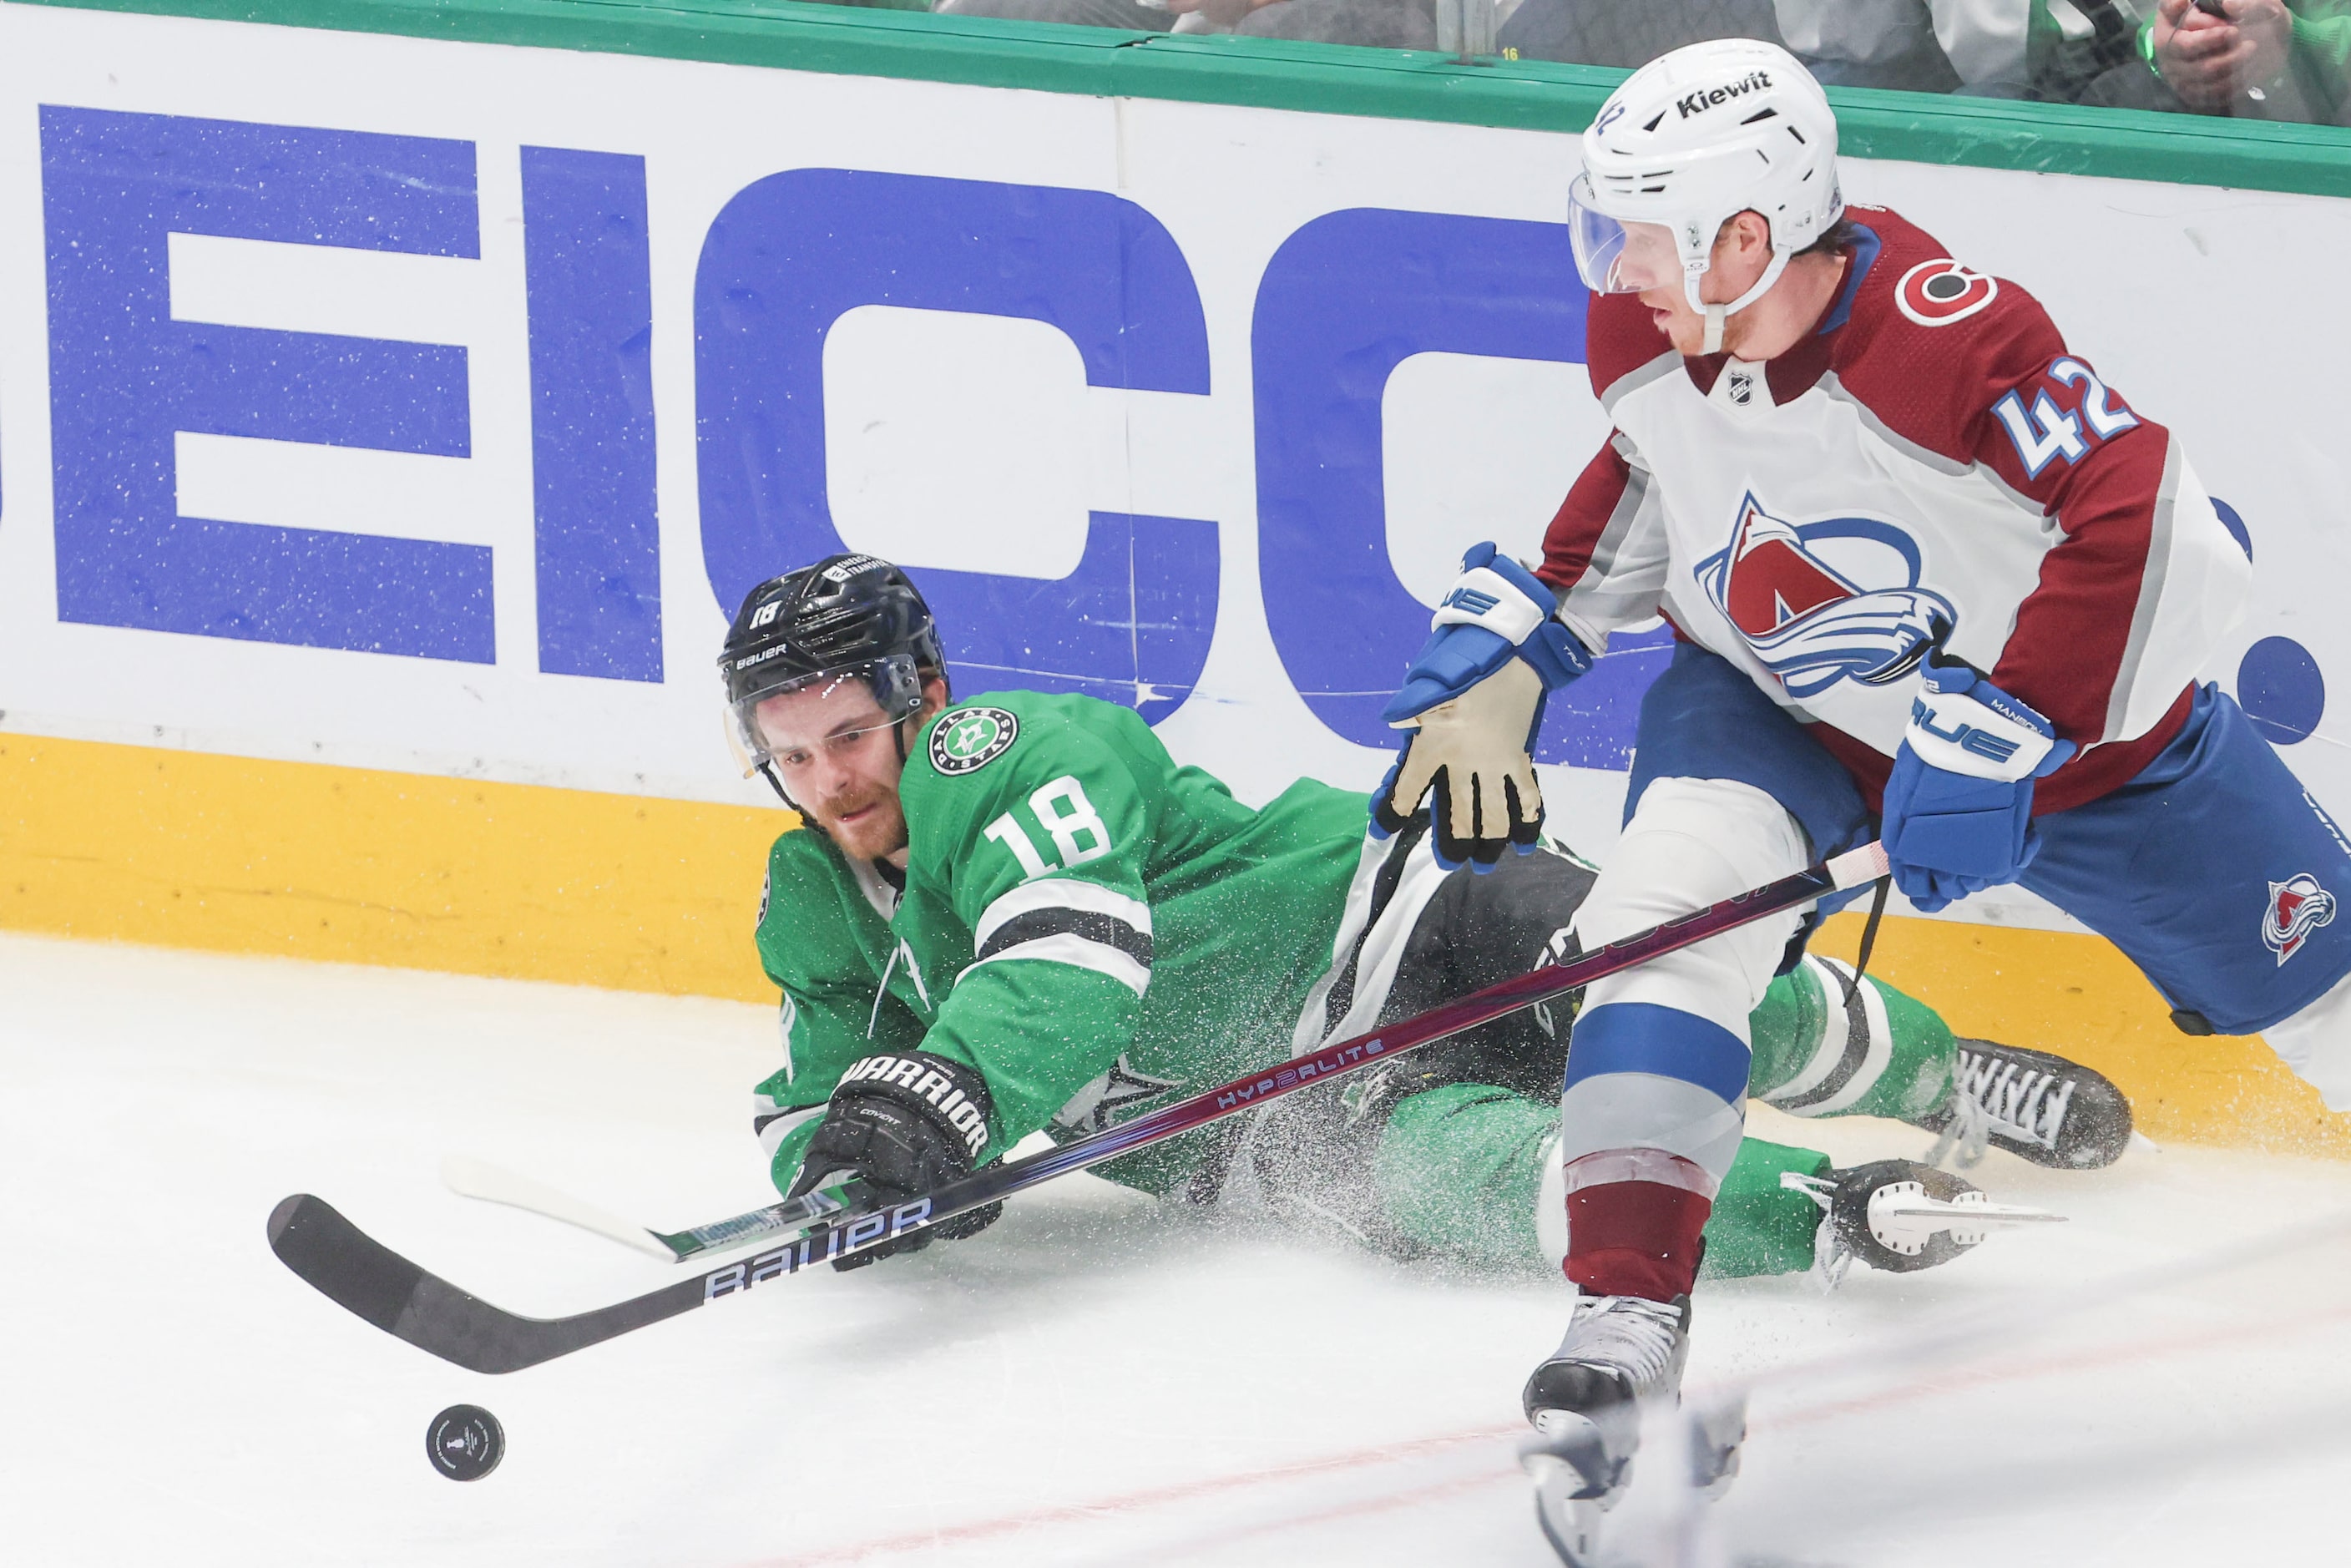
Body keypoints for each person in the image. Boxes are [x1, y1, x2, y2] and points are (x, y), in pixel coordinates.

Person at [1371, 33, 2351, 1545]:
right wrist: (1532, 636)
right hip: (1775, 702)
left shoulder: (1951, 340)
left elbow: (2151, 515)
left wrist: (2019, 719)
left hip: (2093, 756)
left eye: (1636, 223)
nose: (1610, 259)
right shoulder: (1642, 329)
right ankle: (1625, 1309)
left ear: (1745, 235)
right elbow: (1652, 467)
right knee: (1662, 922)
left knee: (2327, 985)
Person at [722, 554, 2126, 1300]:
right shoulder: (816, 900)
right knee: (1495, 1187)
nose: (832, 781)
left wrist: (945, 1103)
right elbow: (809, 1100)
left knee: (1663, 993)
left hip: (1392, 923)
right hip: (1259, 1124)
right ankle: (1824, 1212)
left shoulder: (1003, 752)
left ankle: (1945, 1078)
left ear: (926, 697)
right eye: (794, 757)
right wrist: (852, 1180)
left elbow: (1066, 963)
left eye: (852, 734)